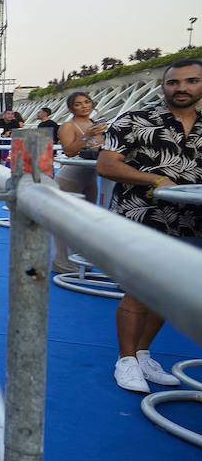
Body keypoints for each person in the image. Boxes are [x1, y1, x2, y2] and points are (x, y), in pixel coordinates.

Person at [97, 59, 202, 393]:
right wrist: (157, 178)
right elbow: (106, 164)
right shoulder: (135, 119)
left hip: (192, 220)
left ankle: (143, 354)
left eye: (191, 81)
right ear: (163, 86)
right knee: (141, 289)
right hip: (143, 213)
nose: (182, 88)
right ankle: (125, 360)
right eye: (174, 82)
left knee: (168, 291)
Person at [53, 91, 107, 272]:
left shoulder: (95, 124)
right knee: (66, 220)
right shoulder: (68, 126)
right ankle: (61, 262)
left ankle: (78, 259)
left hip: (91, 175)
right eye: (78, 104)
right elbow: (68, 151)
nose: (84, 106)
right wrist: (86, 136)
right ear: (70, 108)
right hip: (70, 176)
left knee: (85, 220)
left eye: (87, 102)